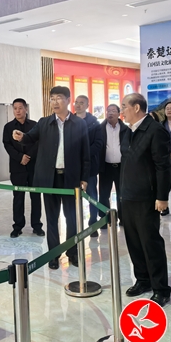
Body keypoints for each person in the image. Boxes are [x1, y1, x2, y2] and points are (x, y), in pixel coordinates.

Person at [13, 86, 89, 270]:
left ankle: (73, 253)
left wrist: (84, 178)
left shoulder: (79, 124)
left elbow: (85, 153)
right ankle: (54, 255)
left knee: (72, 219)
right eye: (52, 98)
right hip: (50, 178)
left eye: (59, 98)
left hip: (71, 178)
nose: (55, 102)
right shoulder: (44, 122)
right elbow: (30, 137)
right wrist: (21, 137)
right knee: (52, 218)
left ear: (68, 100)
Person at [120, 93, 171, 307]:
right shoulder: (128, 131)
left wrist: (162, 196)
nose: (121, 111)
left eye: (124, 106)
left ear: (137, 108)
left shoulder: (155, 131)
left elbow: (163, 166)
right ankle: (143, 280)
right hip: (128, 195)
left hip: (146, 197)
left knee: (150, 243)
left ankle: (161, 289)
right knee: (133, 242)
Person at [2, 98, 44, 238]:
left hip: (33, 167)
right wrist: (20, 157)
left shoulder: (34, 125)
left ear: (26, 109)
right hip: (17, 167)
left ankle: (37, 226)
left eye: (20, 108)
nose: (18, 111)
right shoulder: (8, 127)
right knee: (18, 198)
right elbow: (7, 145)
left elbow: (39, 143)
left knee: (35, 197)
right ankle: (18, 226)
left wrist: (28, 156)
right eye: (15, 108)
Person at [74, 95, 103, 237]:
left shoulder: (94, 123)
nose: (78, 105)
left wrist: (84, 154)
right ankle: (74, 225)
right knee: (73, 197)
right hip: (72, 167)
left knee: (92, 196)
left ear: (87, 105)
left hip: (89, 166)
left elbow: (98, 144)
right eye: (76, 102)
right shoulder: (69, 121)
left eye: (81, 103)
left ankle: (93, 223)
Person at [99, 104, 128, 226]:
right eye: (108, 111)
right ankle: (105, 219)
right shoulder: (100, 128)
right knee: (104, 194)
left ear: (119, 113)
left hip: (121, 167)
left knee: (122, 194)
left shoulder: (126, 129)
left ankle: (123, 218)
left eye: (113, 111)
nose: (110, 113)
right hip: (105, 166)